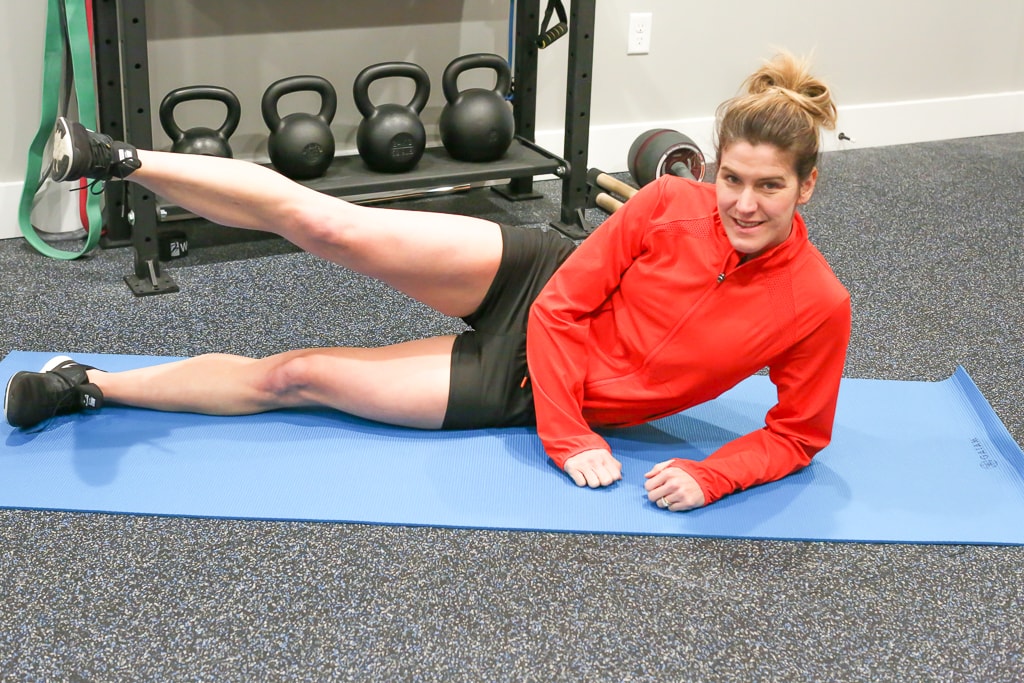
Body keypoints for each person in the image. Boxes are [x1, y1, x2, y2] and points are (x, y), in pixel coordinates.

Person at [5, 53, 851, 512]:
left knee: (296, 376)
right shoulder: (670, 200)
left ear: (806, 185)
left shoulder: (817, 304)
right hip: (539, 288)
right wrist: (572, 440)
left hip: (517, 384)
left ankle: (88, 385)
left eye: (768, 186)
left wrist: (712, 475)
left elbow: (797, 434)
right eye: (731, 179)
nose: (740, 203)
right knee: (332, 223)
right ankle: (115, 157)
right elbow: (561, 304)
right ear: (714, 167)